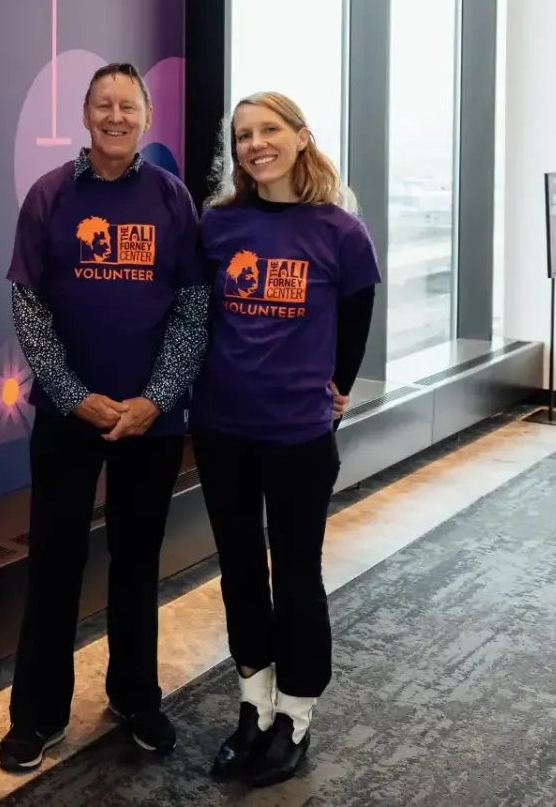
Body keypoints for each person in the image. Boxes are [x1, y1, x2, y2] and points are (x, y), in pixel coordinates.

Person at [0, 62, 210, 772]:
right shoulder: (51, 196)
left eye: (129, 105)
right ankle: (38, 714)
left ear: (146, 119)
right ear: (85, 116)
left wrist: (156, 397)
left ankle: (135, 695)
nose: (117, 116)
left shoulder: (172, 199)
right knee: (54, 559)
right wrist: (73, 394)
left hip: (153, 421)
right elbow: (29, 305)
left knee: (137, 560)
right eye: (104, 104)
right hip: (68, 415)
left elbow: (191, 306)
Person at [191, 92, 379, 787]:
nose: (255, 143)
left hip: (298, 436)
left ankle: (297, 712)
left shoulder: (339, 231)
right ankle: (253, 708)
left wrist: (338, 386)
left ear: (301, 138)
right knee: (240, 570)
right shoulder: (220, 224)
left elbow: (357, 314)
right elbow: (199, 315)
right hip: (221, 428)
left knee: (297, 575)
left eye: (269, 129)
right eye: (243, 134)